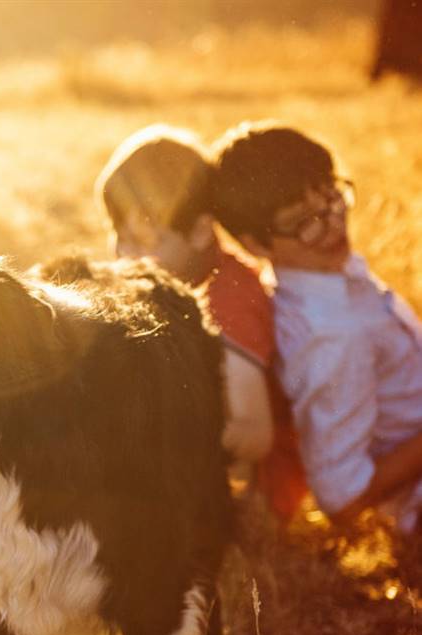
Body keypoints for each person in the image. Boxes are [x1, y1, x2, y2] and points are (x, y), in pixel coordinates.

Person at [212, 121, 422, 537]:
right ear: (256, 245)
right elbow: (341, 496)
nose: (332, 224)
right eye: (304, 221)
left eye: (331, 195)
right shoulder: (329, 335)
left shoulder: (329, 278)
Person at [95, 124, 307, 522]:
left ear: (199, 231)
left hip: (258, 490)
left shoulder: (228, 300)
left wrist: (163, 443)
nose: (126, 256)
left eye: (145, 242)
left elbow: (254, 433)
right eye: (118, 237)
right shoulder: (171, 282)